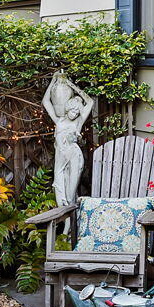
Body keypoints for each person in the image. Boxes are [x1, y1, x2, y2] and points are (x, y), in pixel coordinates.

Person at [41, 71, 96, 207]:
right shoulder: (58, 121)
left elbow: (90, 101)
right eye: (73, 111)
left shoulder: (78, 122)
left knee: (71, 194)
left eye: (77, 112)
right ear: (67, 109)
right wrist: (53, 81)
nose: (74, 114)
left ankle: (71, 224)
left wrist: (72, 85)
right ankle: (66, 223)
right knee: (59, 187)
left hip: (74, 155)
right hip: (61, 155)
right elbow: (45, 101)